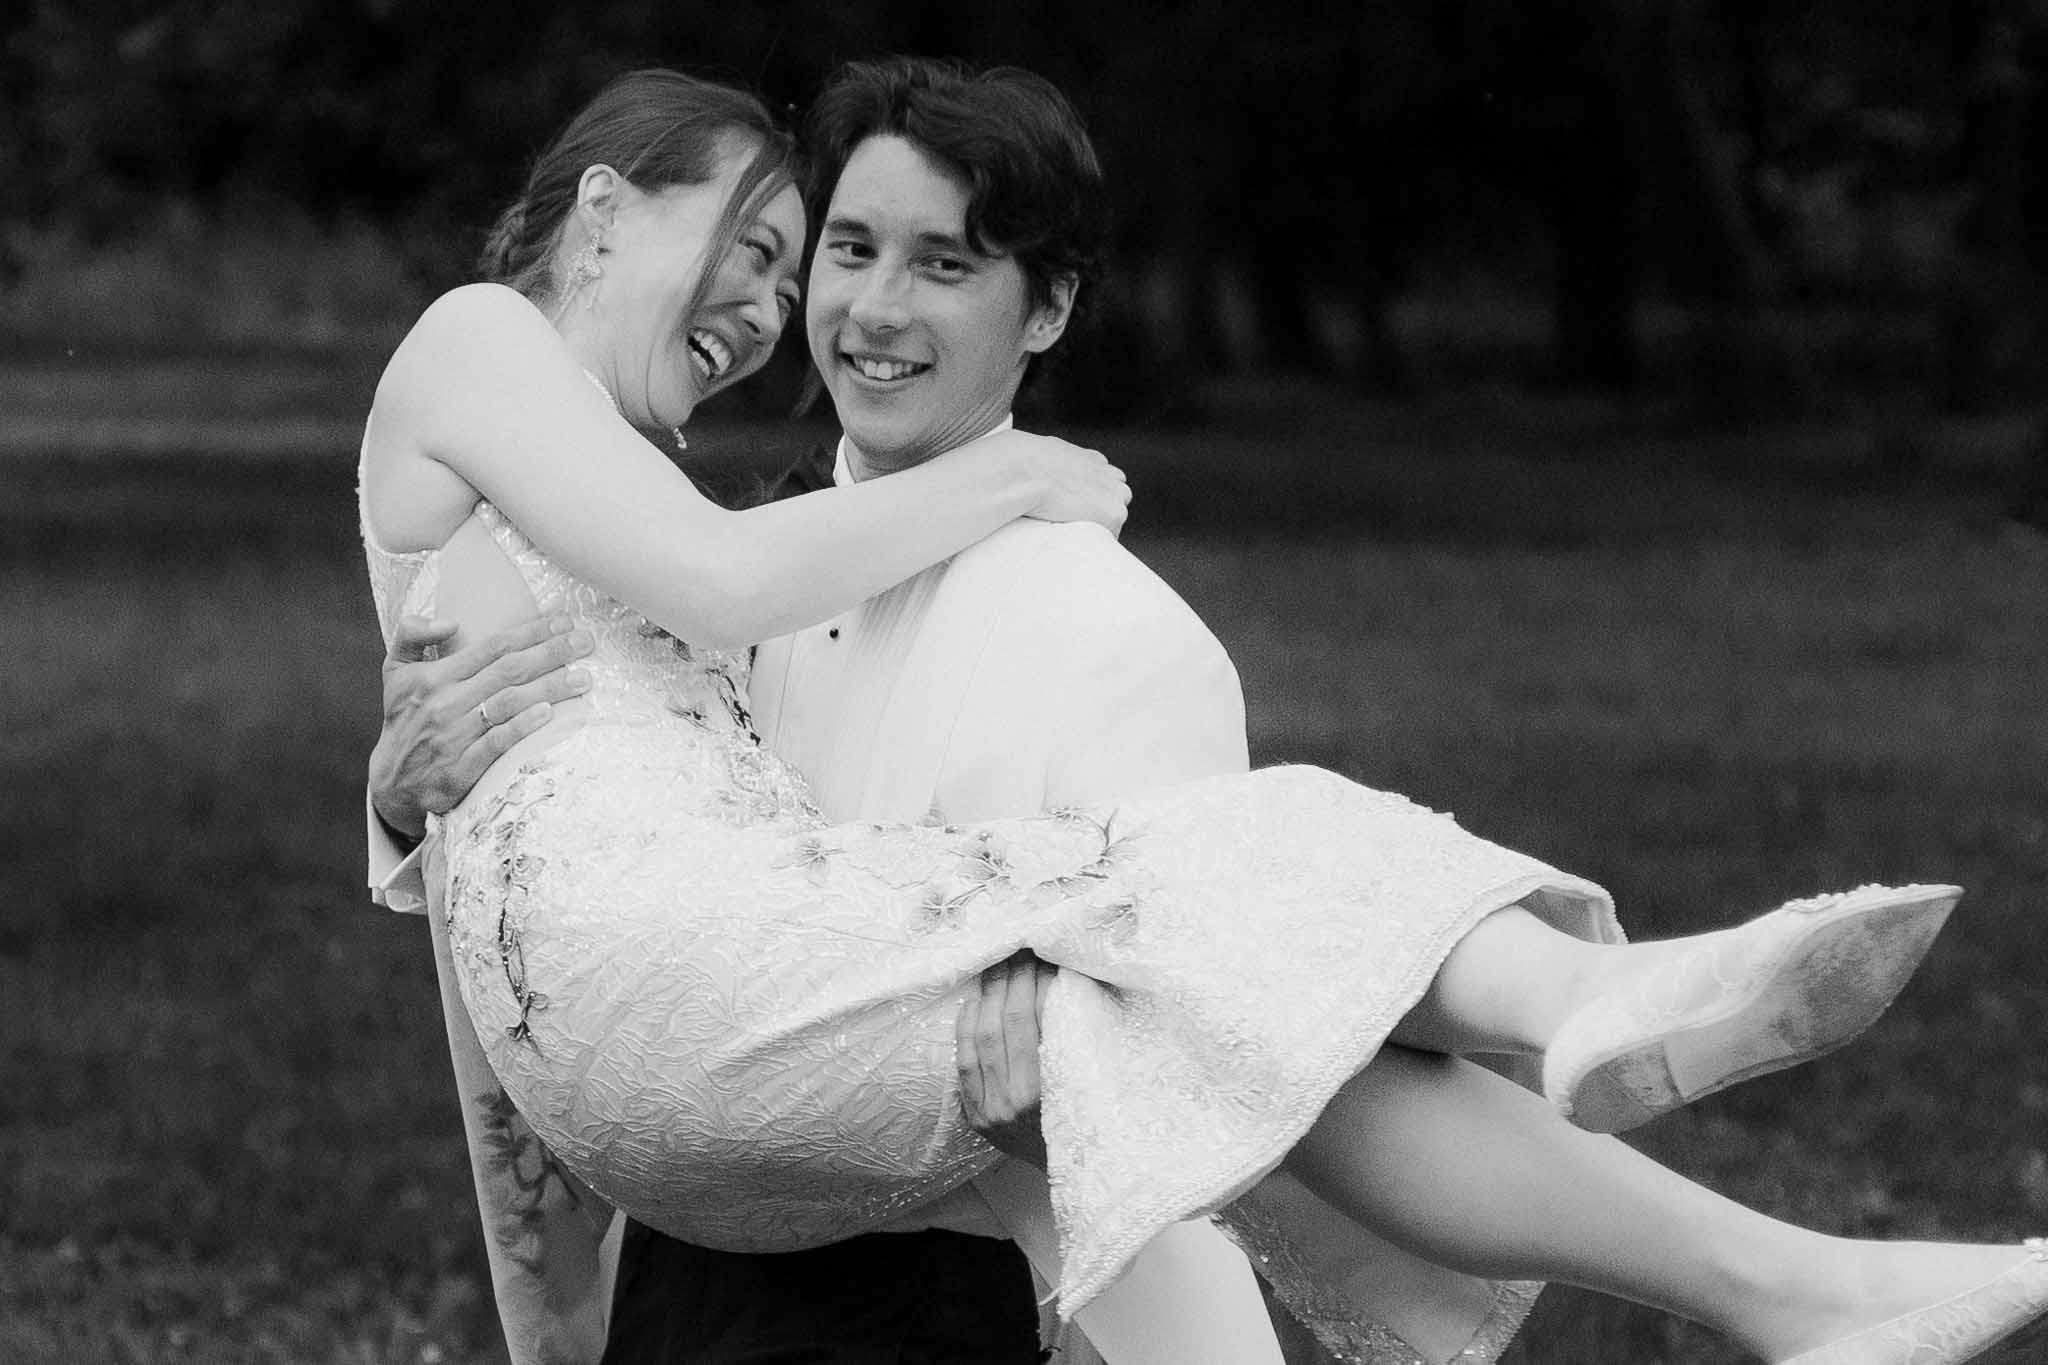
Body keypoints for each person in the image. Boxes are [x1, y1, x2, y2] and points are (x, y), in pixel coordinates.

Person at [357, 60, 2048, 1365]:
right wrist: (404, 796)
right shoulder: (709, 549)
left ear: (1046, 311)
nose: (846, 307)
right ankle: (1636, 1071)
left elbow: (1225, 1075)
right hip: (706, 1256)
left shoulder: (1106, 624)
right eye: (825, 256)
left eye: (936, 263)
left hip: (967, 1296)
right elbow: (560, 874)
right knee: (1234, 904)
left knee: (1231, 933)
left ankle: (1744, 1218)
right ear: (603, 210)